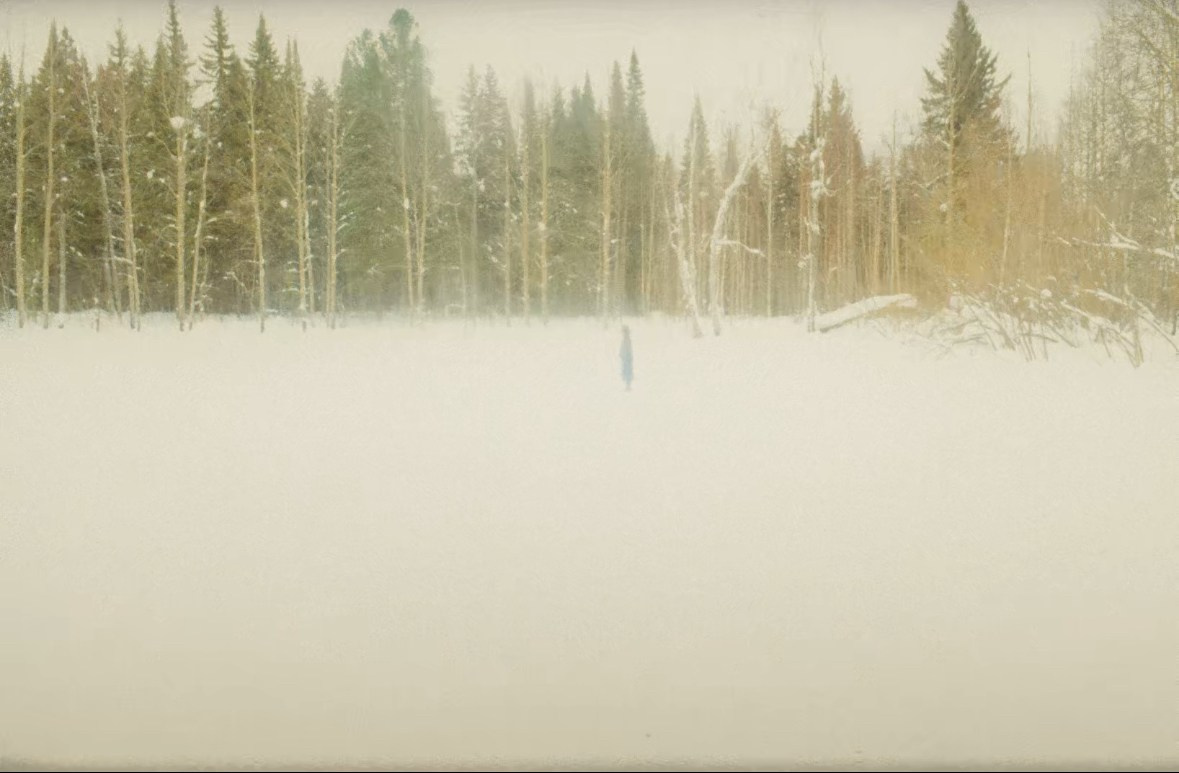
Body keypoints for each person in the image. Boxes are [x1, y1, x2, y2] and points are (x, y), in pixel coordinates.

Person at [620, 325, 634, 391]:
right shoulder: (626, 339)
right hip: (626, 358)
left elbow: (628, 349)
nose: (623, 333)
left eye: (624, 332)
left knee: (627, 370)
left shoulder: (627, 339)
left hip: (627, 358)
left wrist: (626, 355)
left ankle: (628, 385)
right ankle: (627, 385)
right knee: (626, 370)